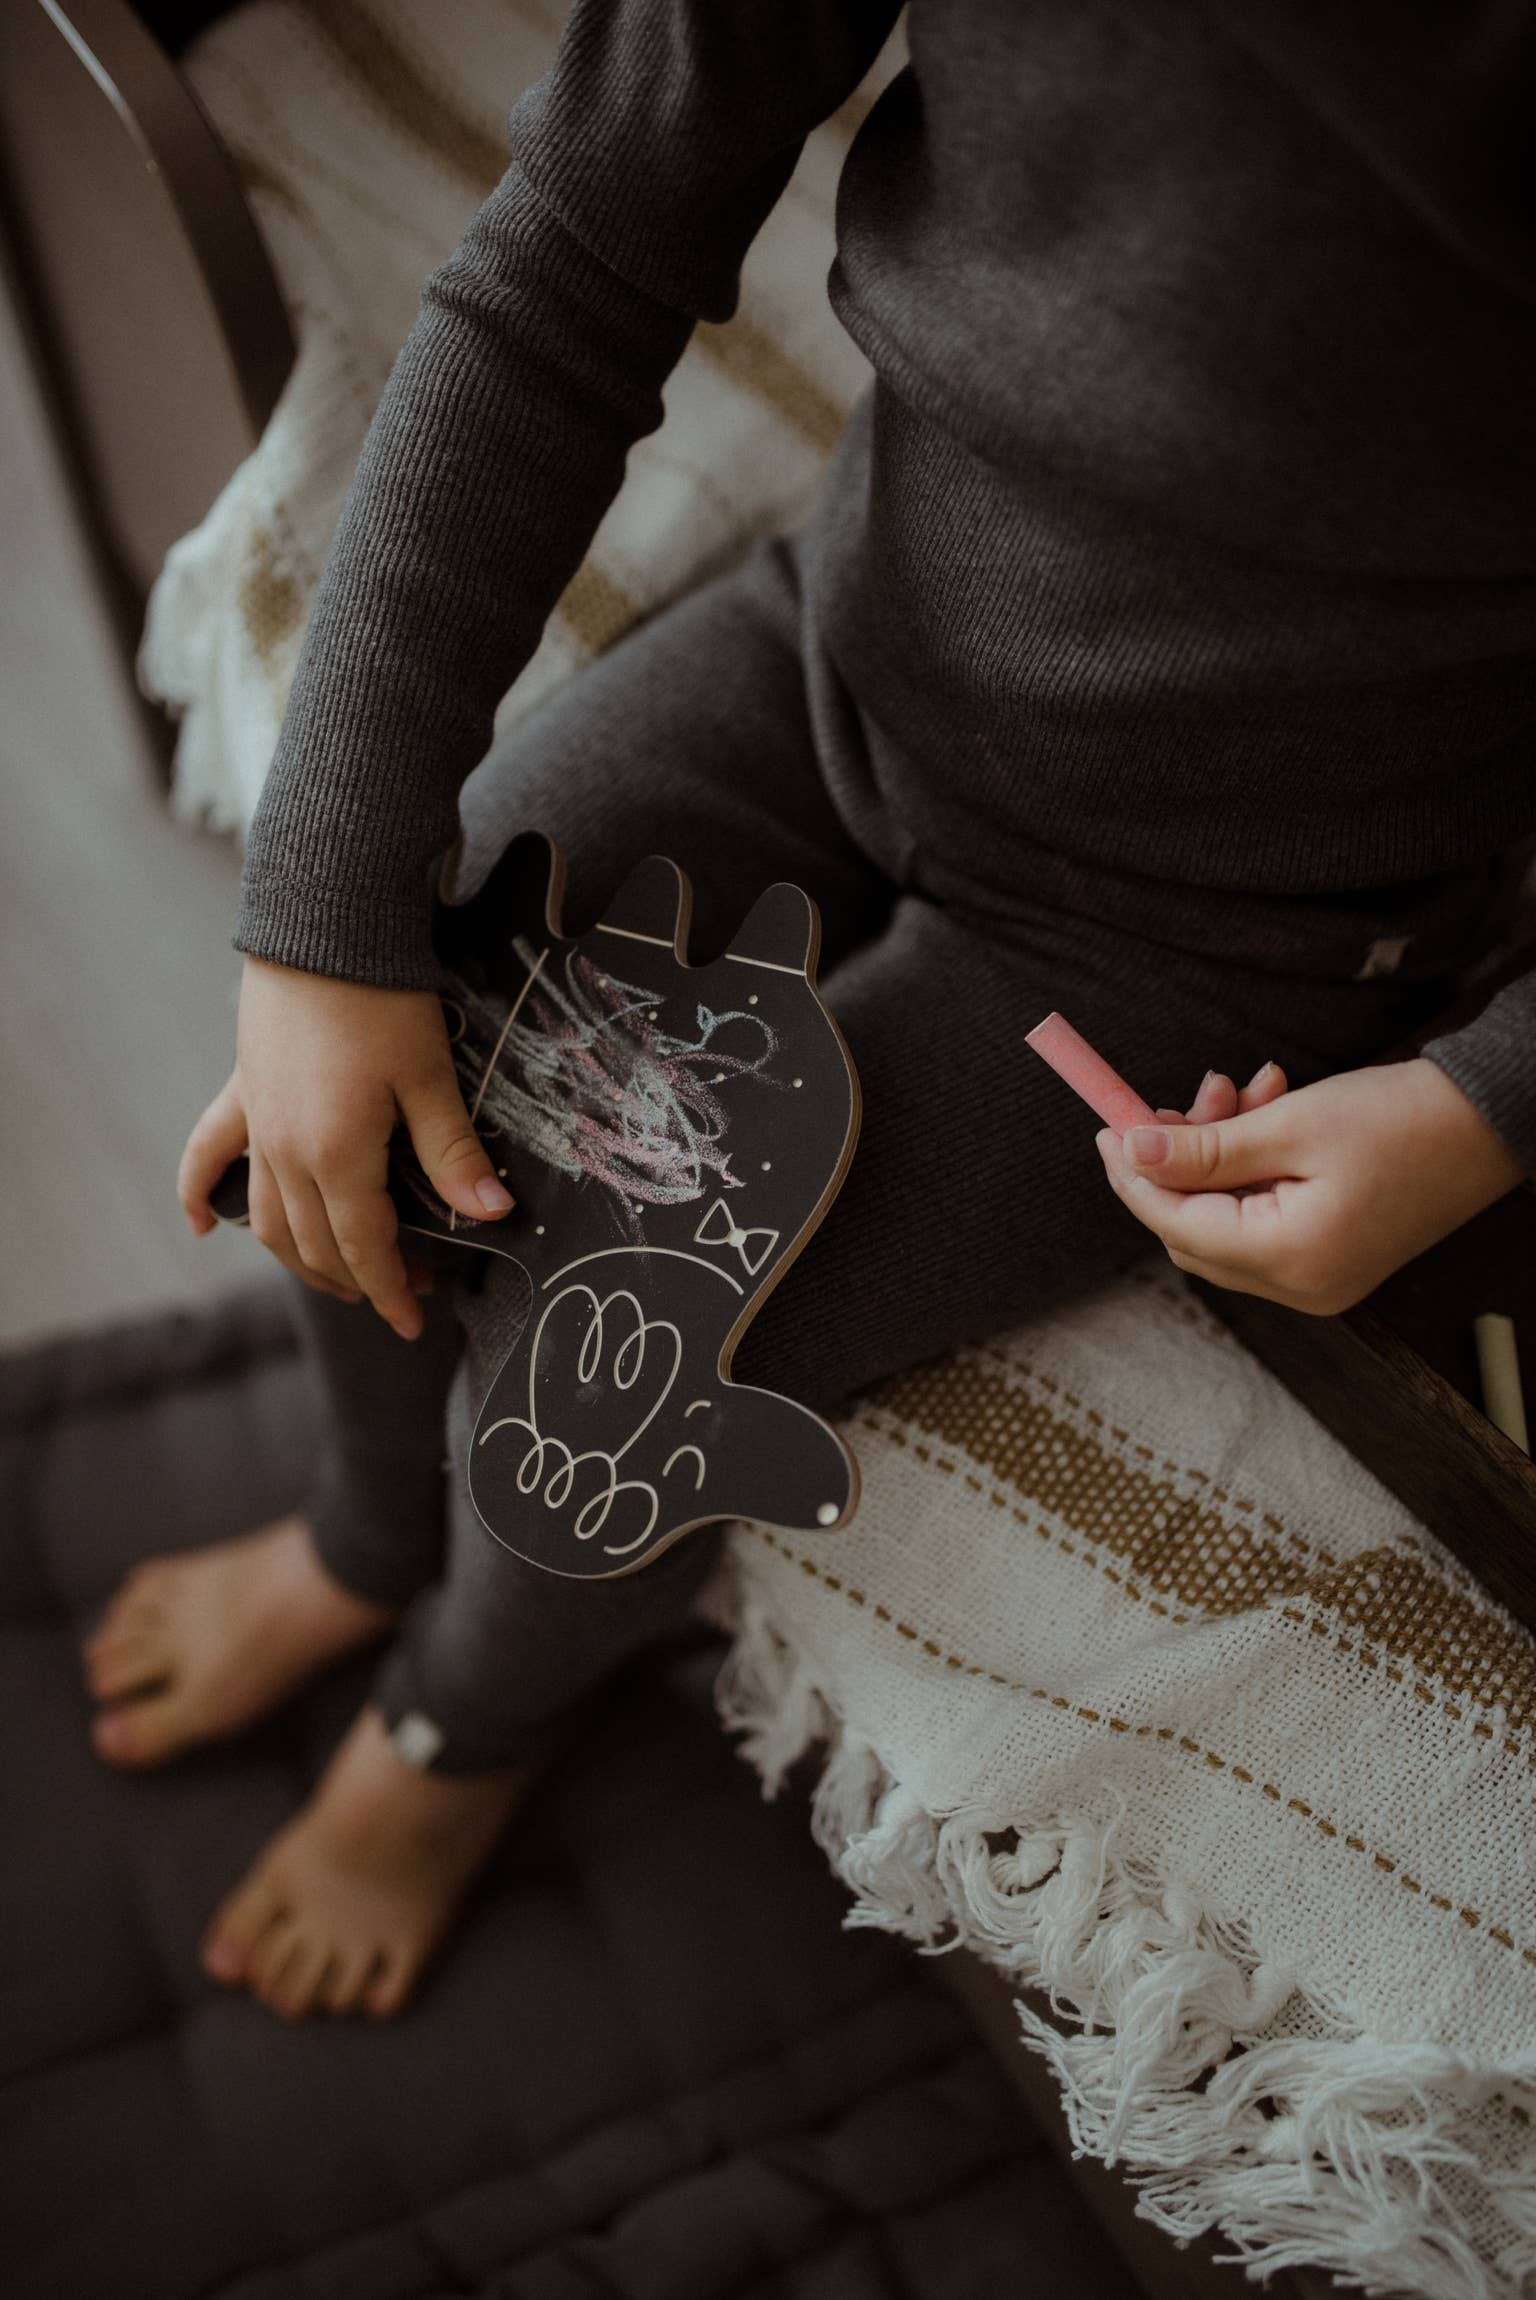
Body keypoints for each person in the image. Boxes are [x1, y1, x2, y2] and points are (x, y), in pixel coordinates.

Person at [83, 0, 1534, 2021]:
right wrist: (322, 916)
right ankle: (361, 1528)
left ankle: (459, 1724)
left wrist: (1481, 1100)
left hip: (1200, 944)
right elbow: (582, 234)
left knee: (622, 1383)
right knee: (376, 1053)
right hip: (839, 651)